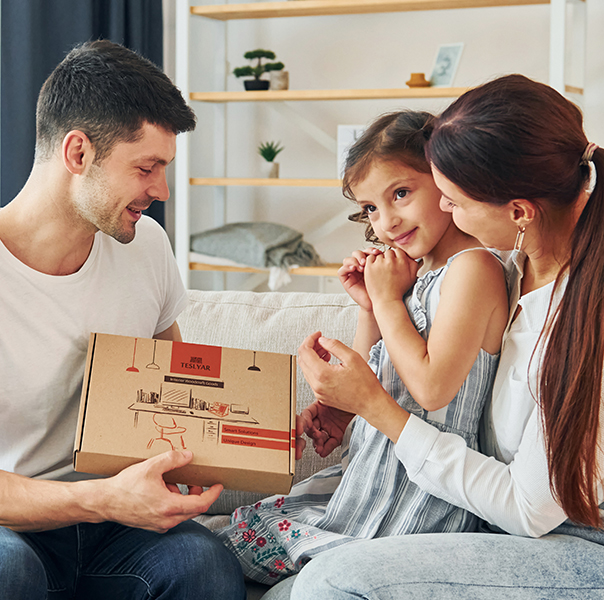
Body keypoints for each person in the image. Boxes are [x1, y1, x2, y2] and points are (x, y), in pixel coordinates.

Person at [291, 74, 604, 599]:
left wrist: (375, 406)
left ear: (518, 211)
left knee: (333, 583)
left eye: (455, 201)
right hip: (527, 530)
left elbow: (528, 507)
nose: (443, 213)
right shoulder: (521, 263)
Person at [0, 41, 243, 600]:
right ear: (78, 153)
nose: (161, 191)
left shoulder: (145, 246)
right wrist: (100, 499)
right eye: (146, 168)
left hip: (114, 526)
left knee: (206, 566)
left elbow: (175, 388)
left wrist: (256, 435)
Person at [215, 111, 509, 593]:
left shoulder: (473, 268)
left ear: (446, 180)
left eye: (400, 194)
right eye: (370, 208)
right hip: (375, 471)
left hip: (421, 491)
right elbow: (381, 370)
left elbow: (432, 389)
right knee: (232, 541)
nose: (387, 221)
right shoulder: (416, 270)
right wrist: (370, 310)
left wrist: (390, 298)